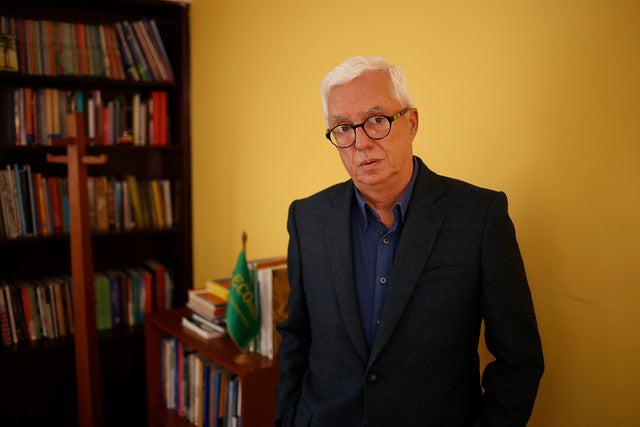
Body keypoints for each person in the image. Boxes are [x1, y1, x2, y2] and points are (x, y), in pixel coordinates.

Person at [275, 56, 544, 427]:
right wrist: (288, 417)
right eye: (343, 128)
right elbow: (296, 337)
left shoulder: (479, 217)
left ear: (412, 122)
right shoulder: (307, 218)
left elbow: (519, 360)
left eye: (376, 120)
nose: (361, 143)